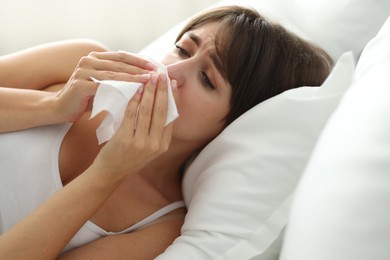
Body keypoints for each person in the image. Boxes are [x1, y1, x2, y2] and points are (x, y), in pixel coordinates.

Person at [0, 5, 333, 259]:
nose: (171, 71)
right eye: (183, 49)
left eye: (207, 79)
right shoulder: (82, 63)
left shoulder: (160, 228)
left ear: (233, 125)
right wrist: (52, 107)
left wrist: (106, 174)